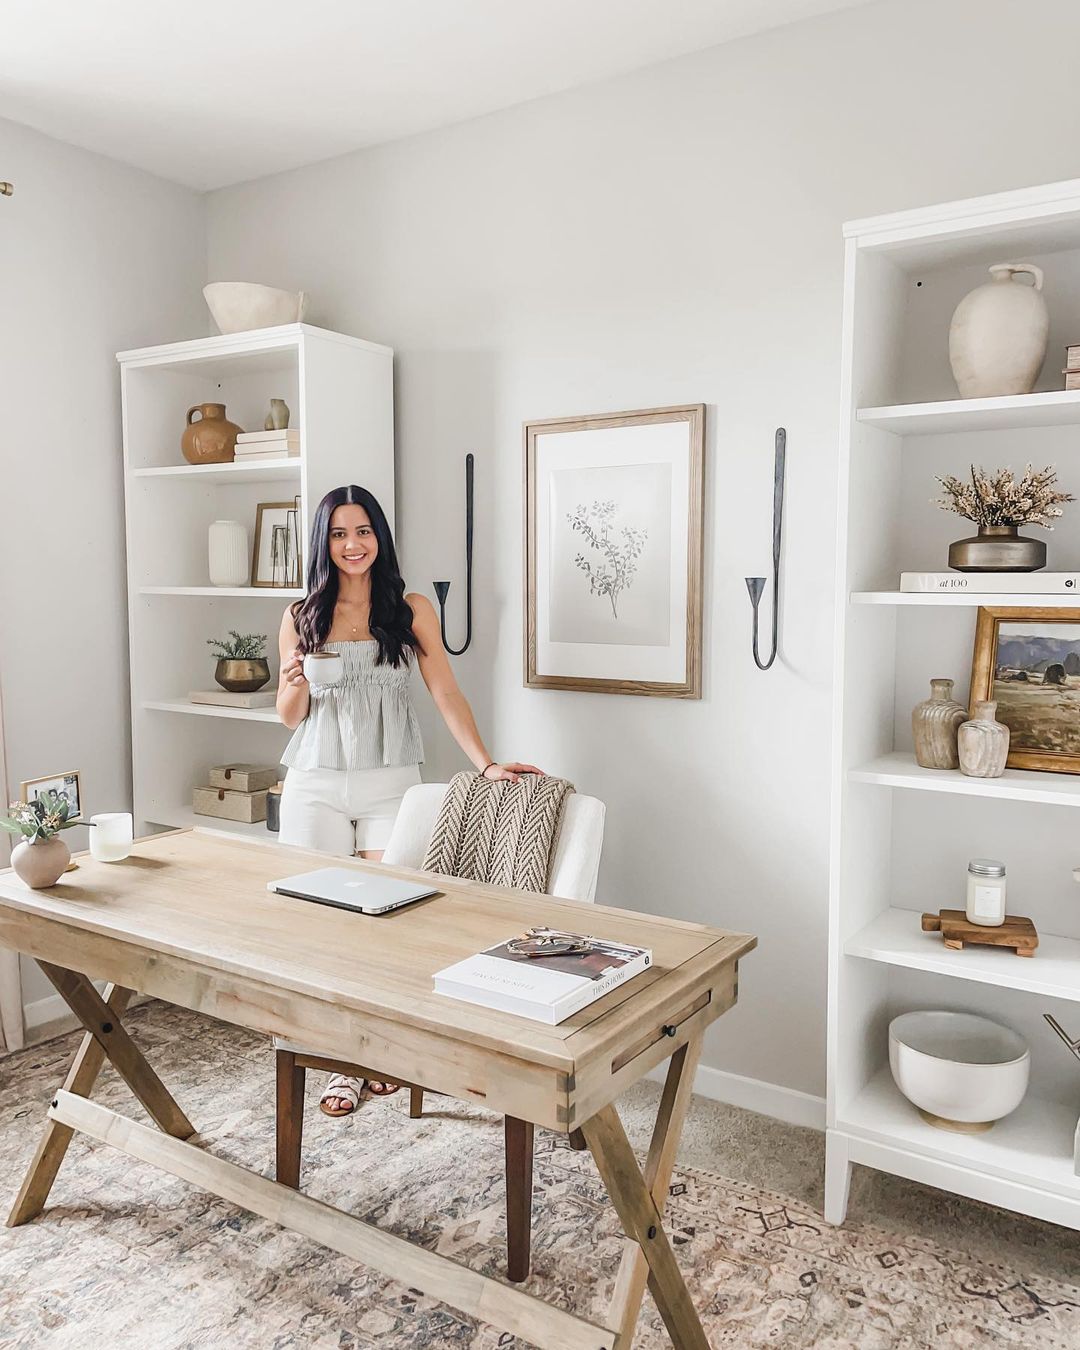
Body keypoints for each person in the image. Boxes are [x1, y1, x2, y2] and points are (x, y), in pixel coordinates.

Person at [276, 484, 541, 1115]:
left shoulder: (410, 608)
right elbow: (289, 717)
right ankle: (337, 1064)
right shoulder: (300, 614)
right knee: (320, 927)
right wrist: (292, 681)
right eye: (339, 533)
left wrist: (486, 764)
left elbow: (446, 691)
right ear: (324, 542)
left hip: (391, 781)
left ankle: (379, 1055)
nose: (352, 544)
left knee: (383, 926)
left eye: (363, 531)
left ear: (380, 536)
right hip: (314, 782)